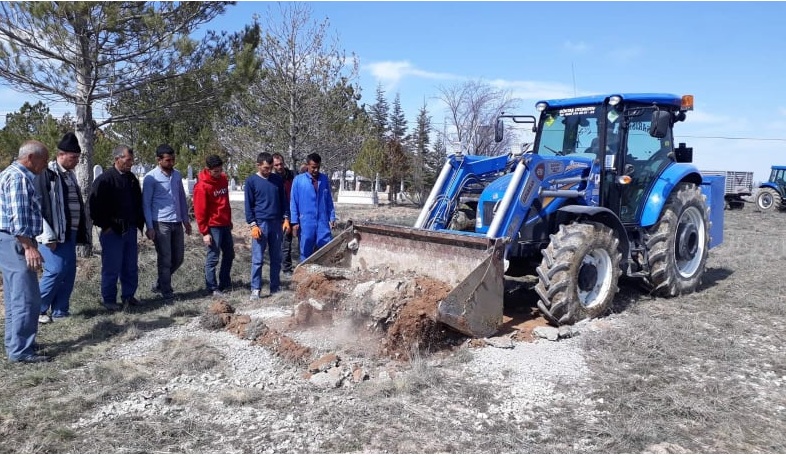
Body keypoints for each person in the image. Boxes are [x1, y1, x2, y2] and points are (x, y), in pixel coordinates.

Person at [0, 140, 51, 363]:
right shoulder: (19, 177)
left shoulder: (13, 174)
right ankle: (21, 351)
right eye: (43, 160)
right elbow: (18, 217)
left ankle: (16, 344)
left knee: (15, 297)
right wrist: (28, 246)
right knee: (26, 298)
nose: (45, 165)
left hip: (11, 240)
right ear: (30, 158)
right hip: (16, 241)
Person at [35, 132, 89, 323]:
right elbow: (41, 207)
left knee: (68, 271)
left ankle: (60, 311)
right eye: (73, 158)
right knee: (55, 269)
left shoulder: (70, 175)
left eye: (78, 158)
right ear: (61, 155)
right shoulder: (48, 173)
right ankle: (38, 310)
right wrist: (48, 236)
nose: (76, 161)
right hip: (53, 234)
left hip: (70, 232)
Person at [89, 145, 145, 311]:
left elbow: (137, 202)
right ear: (117, 159)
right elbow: (94, 206)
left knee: (130, 265)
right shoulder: (104, 180)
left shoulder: (131, 179)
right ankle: (109, 299)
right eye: (128, 160)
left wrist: (138, 223)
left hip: (129, 229)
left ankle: (128, 296)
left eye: (132, 161)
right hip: (112, 231)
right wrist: (105, 226)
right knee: (112, 267)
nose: (130, 164)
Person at [142, 144, 192, 301]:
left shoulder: (177, 175)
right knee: (165, 258)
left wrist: (186, 219)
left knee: (178, 258)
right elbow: (146, 203)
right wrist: (149, 227)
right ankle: (166, 292)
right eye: (168, 160)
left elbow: (182, 199)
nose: (172, 163)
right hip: (160, 223)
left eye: (173, 160)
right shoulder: (151, 178)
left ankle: (159, 283)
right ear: (159, 160)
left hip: (176, 222)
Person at [244, 152, 288, 300]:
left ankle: (275, 287)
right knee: (258, 259)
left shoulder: (277, 180)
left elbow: (283, 201)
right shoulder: (251, 181)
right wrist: (253, 225)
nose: (268, 171)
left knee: (276, 258)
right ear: (258, 165)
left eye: (270, 168)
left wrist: (286, 218)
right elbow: (248, 206)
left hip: (276, 223)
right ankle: (255, 289)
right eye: (265, 168)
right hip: (260, 224)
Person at [193, 154, 235, 296]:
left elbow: (225, 202)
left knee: (229, 254)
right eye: (215, 171)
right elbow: (200, 211)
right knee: (213, 257)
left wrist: (229, 220)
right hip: (213, 226)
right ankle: (212, 287)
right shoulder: (202, 186)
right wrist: (205, 232)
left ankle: (225, 282)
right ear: (208, 170)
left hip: (224, 224)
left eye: (220, 170)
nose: (218, 173)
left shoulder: (223, 179)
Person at [290, 152, 336, 262]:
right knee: (305, 251)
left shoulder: (324, 179)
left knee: (326, 249)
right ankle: (304, 275)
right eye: (313, 167)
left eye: (318, 167)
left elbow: (328, 200)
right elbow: (293, 202)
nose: (316, 170)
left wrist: (332, 217)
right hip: (305, 222)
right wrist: (294, 222)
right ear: (307, 165)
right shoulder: (298, 180)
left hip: (322, 222)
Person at [272, 152, 295, 274]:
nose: (279, 167)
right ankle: (286, 268)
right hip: (279, 216)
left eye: (281, 164)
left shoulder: (292, 175)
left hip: (294, 213)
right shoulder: (272, 179)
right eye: (276, 165)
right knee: (284, 243)